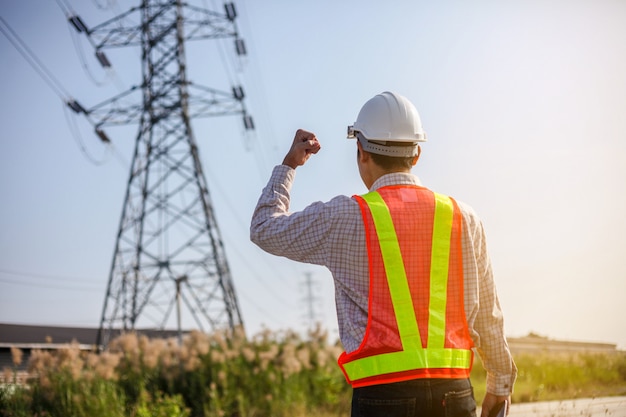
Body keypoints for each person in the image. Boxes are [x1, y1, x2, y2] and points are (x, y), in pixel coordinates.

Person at [250, 91, 516, 417]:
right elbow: (488, 316)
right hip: (455, 394)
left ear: (361, 151)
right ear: (416, 154)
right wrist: (500, 385)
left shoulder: (345, 217)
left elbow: (264, 228)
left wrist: (289, 165)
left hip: (383, 400)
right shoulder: (465, 217)